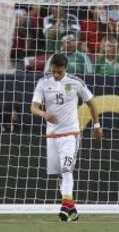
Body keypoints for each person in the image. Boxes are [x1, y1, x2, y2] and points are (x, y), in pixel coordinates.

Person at [31, 53, 103, 222]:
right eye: (54, 71)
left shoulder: (76, 82)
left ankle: (64, 205)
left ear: (66, 68)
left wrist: (97, 126)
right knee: (60, 174)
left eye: (59, 72)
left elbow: (92, 103)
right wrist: (44, 114)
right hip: (52, 135)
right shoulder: (43, 82)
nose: (56, 75)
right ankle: (72, 209)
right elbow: (33, 107)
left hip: (71, 134)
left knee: (66, 169)